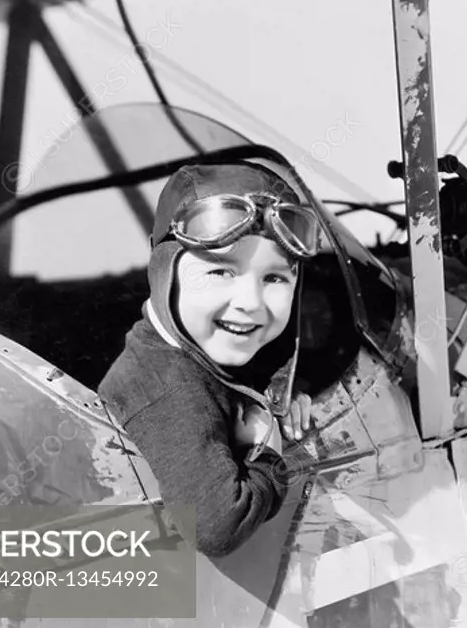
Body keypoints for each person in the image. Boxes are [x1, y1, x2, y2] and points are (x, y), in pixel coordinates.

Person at [98, 148, 320, 557]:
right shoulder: (168, 392)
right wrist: (266, 453)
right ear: (165, 271)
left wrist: (286, 390)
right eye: (220, 271)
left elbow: (252, 369)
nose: (250, 302)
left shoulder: (192, 341)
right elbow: (218, 526)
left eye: (274, 277)